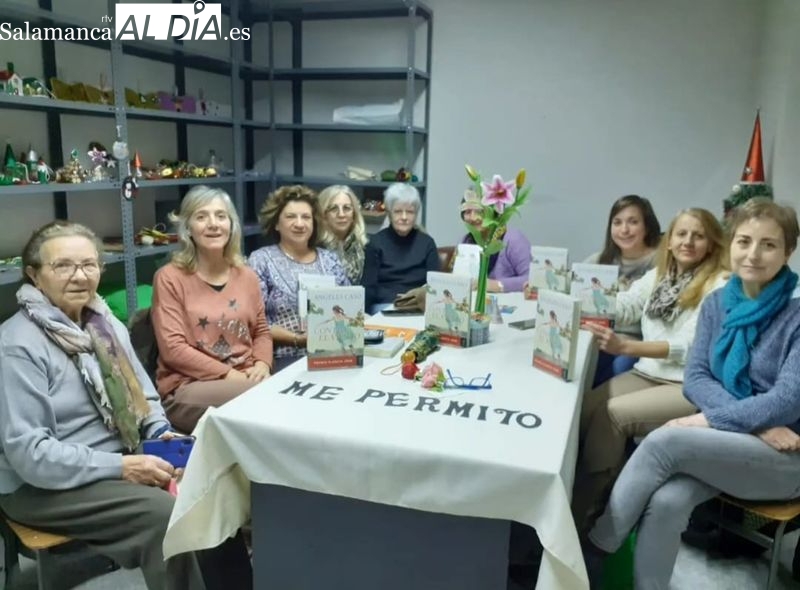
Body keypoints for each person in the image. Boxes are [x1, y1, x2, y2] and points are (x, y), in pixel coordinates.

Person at [0, 221, 251, 590]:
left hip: (119, 455)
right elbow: (30, 455)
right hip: (40, 486)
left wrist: (161, 435)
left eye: (89, 265)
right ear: (34, 276)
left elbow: (145, 396)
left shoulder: (103, 323)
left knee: (213, 484)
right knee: (166, 516)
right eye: (63, 265)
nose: (79, 276)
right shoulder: (18, 345)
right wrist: (122, 467)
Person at [585, 198, 800, 590]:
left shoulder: (796, 312)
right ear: (731, 244)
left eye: (768, 244)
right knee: (667, 502)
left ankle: (592, 553)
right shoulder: (719, 303)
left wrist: (711, 418)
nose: (753, 254)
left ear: (788, 251)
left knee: (664, 439)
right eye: (744, 241)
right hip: (742, 438)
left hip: (786, 456)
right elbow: (697, 379)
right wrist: (752, 425)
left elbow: (786, 402)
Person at [574, 208, 728, 532]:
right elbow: (628, 304)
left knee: (612, 415)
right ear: (668, 241)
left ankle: (588, 516)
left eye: (698, 235)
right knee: (581, 410)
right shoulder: (661, 274)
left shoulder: (719, 284)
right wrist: (581, 300)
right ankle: (576, 492)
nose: (688, 241)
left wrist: (627, 347)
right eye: (681, 234)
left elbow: (690, 346)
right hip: (647, 373)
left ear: (712, 244)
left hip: (688, 384)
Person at [152, 185, 273, 434]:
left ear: (231, 225)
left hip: (246, 377)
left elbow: (261, 331)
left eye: (221, 216)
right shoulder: (170, 278)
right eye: (201, 216)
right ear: (188, 229)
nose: (213, 224)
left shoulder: (246, 275)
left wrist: (263, 364)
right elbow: (173, 349)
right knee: (270, 399)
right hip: (188, 386)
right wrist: (231, 376)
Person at [248, 185, 349, 371]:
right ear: (276, 223)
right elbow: (254, 322)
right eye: (291, 217)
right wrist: (297, 339)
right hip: (285, 357)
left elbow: (350, 306)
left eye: (306, 217)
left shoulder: (330, 259)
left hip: (335, 353)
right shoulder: (260, 260)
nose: (300, 224)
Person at [586, 195, 662, 386]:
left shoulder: (661, 263)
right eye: (617, 222)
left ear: (647, 226)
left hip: (635, 343)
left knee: (610, 376)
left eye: (633, 222)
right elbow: (569, 291)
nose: (624, 230)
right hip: (596, 338)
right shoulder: (599, 260)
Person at [363, 183, 439, 312]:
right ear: (389, 213)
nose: (404, 217)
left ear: (416, 214)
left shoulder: (427, 243)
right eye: (398, 211)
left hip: (419, 307)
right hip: (385, 307)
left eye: (410, 212)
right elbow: (368, 287)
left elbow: (435, 285)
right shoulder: (375, 243)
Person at [458, 188, 531, 292]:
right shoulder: (467, 240)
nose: (473, 218)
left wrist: (497, 285)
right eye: (468, 212)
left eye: (480, 211)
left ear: (495, 212)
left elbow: (532, 279)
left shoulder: (513, 239)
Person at [318, 184, 368, 285]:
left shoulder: (367, 247)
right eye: (333, 209)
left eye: (347, 208)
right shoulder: (313, 247)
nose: (341, 214)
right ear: (323, 215)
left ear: (354, 214)